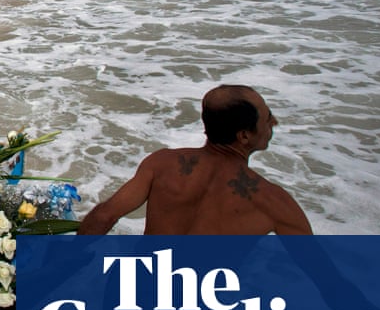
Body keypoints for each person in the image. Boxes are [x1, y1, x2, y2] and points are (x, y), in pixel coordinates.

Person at [77, 85, 313, 235]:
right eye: (268, 118)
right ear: (244, 135)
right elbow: (323, 275)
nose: (274, 123)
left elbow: (103, 216)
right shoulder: (273, 201)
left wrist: (61, 267)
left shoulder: (162, 164)